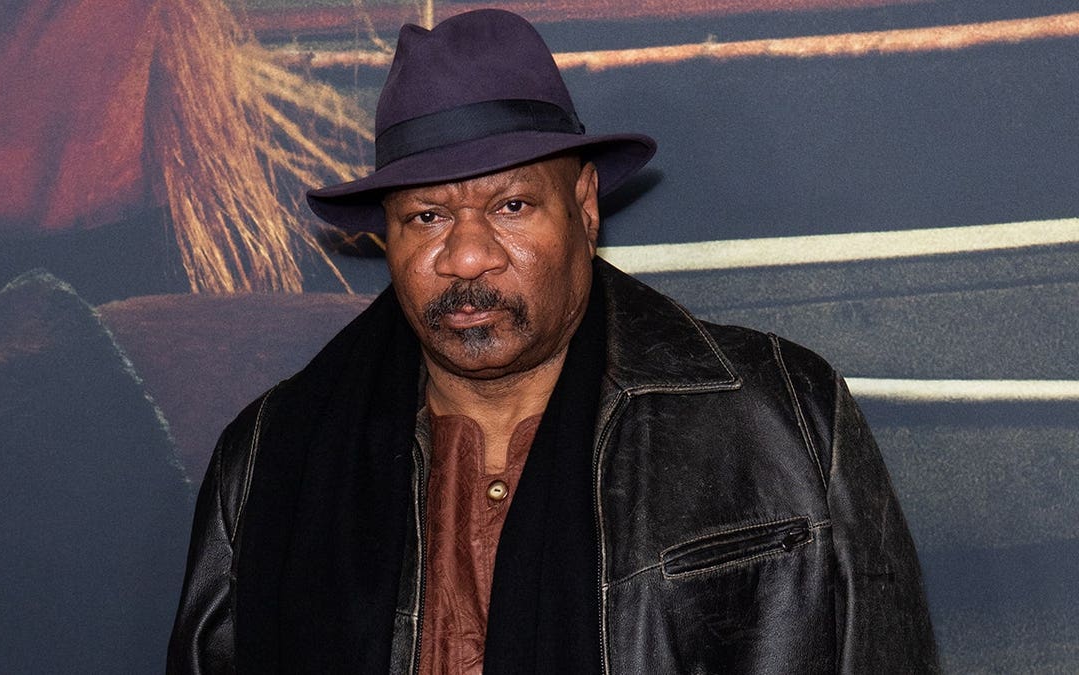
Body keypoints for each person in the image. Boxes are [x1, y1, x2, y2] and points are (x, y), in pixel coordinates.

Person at [168, 9, 938, 673]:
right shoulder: (273, 458)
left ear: (585, 208)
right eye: (426, 217)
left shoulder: (780, 421)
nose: (467, 256)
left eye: (509, 205)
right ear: (388, 238)